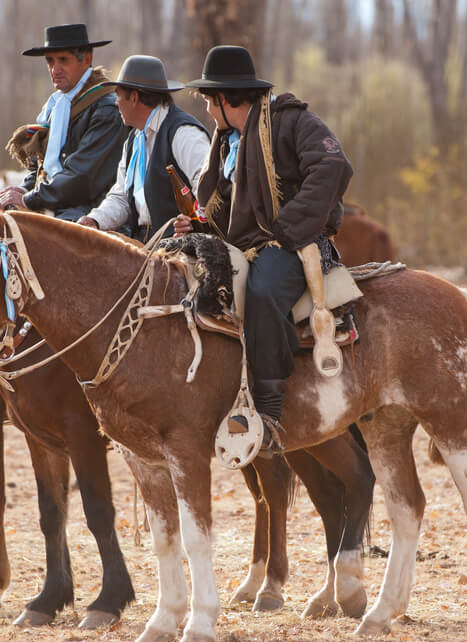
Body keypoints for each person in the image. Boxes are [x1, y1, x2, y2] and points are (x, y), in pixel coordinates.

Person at [183, 45, 353, 447]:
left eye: (209, 101)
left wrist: (286, 228)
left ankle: (270, 412)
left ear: (225, 100)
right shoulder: (228, 141)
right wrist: (196, 224)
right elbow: (229, 207)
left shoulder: (292, 121)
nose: (207, 110)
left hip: (296, 243)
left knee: (260, 292)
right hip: (254, 242)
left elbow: (333, 167)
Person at [0, 23, 126, 221]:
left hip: (91, 215)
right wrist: (22, 190)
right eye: (50, 61)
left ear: (87, 59)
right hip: (57, 206)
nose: (55, 69)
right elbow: (43, 169)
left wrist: (30, 199)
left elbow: (82, 178)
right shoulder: (57, 107)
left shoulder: (106, 109)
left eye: (63, 60)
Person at [77, 55, 210, 240]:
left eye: (118, 95)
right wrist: (94, 220)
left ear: (134, 97)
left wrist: (190, 221)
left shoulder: (183, 132)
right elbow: (121, 196)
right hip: (142, 243)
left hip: (180, 247)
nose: (116, 103)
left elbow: (206, 186)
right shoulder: (133, 140)